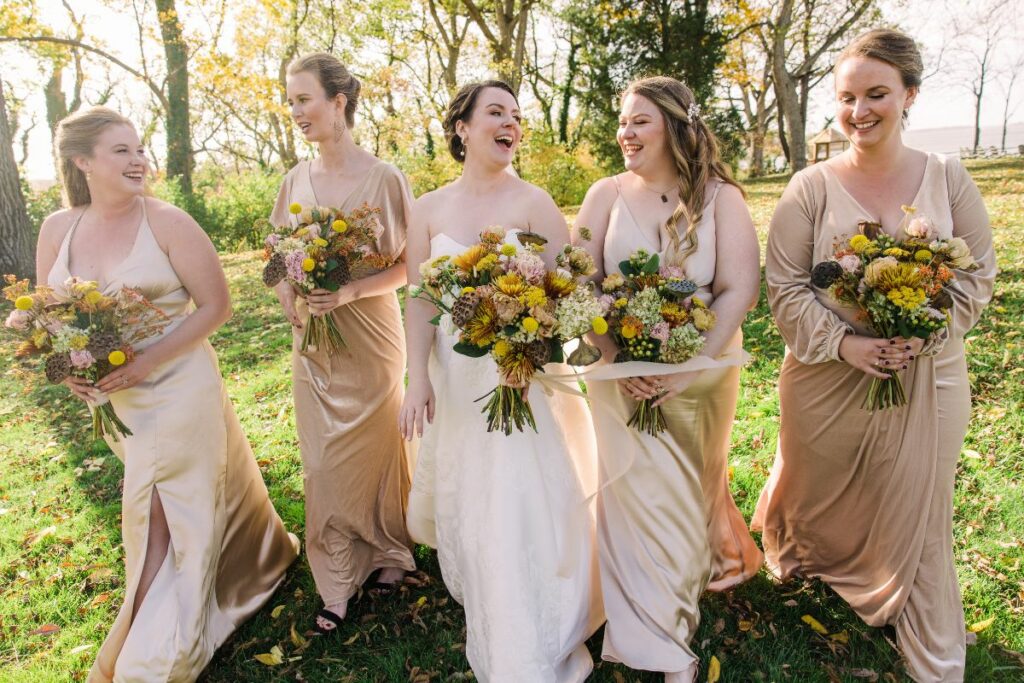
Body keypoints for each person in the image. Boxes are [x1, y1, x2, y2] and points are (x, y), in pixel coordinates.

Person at [751, 29, 996, 682]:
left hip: (929, 375)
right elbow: (783, 290)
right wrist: (850, 343)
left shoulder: (948, 177)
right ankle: (813, 542)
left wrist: (924, 332)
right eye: (848, 97)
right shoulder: (809, 187)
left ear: (910, 94)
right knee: (820, 495)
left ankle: (927, 637)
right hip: (828, 378)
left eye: (877, 94)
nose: (860, 111)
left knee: (923, 504)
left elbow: (977, 276)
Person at [35, 106, 299, 682]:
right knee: (170, 501)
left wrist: (149, 360)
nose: (139, 161)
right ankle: (257, 558)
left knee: (156, 508)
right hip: (116, 399)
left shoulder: (169, 222)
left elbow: (217, 306)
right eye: (121, 151)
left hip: (179, 386)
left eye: (140, 149)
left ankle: (152, 651)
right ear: (84, 162)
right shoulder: (59, 228)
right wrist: (69, 371)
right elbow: (49, 316)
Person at [399, 80, 602, 682]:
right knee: (476, 493)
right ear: (461, 127)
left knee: (520, 492)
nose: (511, 122)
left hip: (526, 377)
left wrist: (534, 347)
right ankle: (489, 597)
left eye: (516, 114)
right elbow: (417, 299)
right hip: (457, 379)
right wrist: (417, 379)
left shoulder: (536, 202)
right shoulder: (428, 209)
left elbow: (571, 293)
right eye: (495, 112)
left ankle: (535, 623)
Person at [573, 76, 762, 682]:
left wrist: (689, 365)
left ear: (676, 126)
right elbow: (579, 283)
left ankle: (675, 609)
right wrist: (612, 358)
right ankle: (659, 640)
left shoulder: (720, 198)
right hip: (617, 375)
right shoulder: (604, 194)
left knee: (684, 499)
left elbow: (739, 289)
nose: (625, 133)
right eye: (622, 122)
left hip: (701, 373)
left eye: (640, 122)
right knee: (630, 496)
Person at [269, 52, 416, 634]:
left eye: (304, 99)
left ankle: (388, 553)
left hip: (372, 336)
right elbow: (279, 259)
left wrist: (350, 293)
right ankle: (335, 576)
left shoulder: (385, 178)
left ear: (338, 101)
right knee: (321, 459)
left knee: (377, 449)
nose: (296, 111)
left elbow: (411, 266)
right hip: (315, 342)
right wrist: (291, 300)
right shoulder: (292, 181)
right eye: (290, 101)